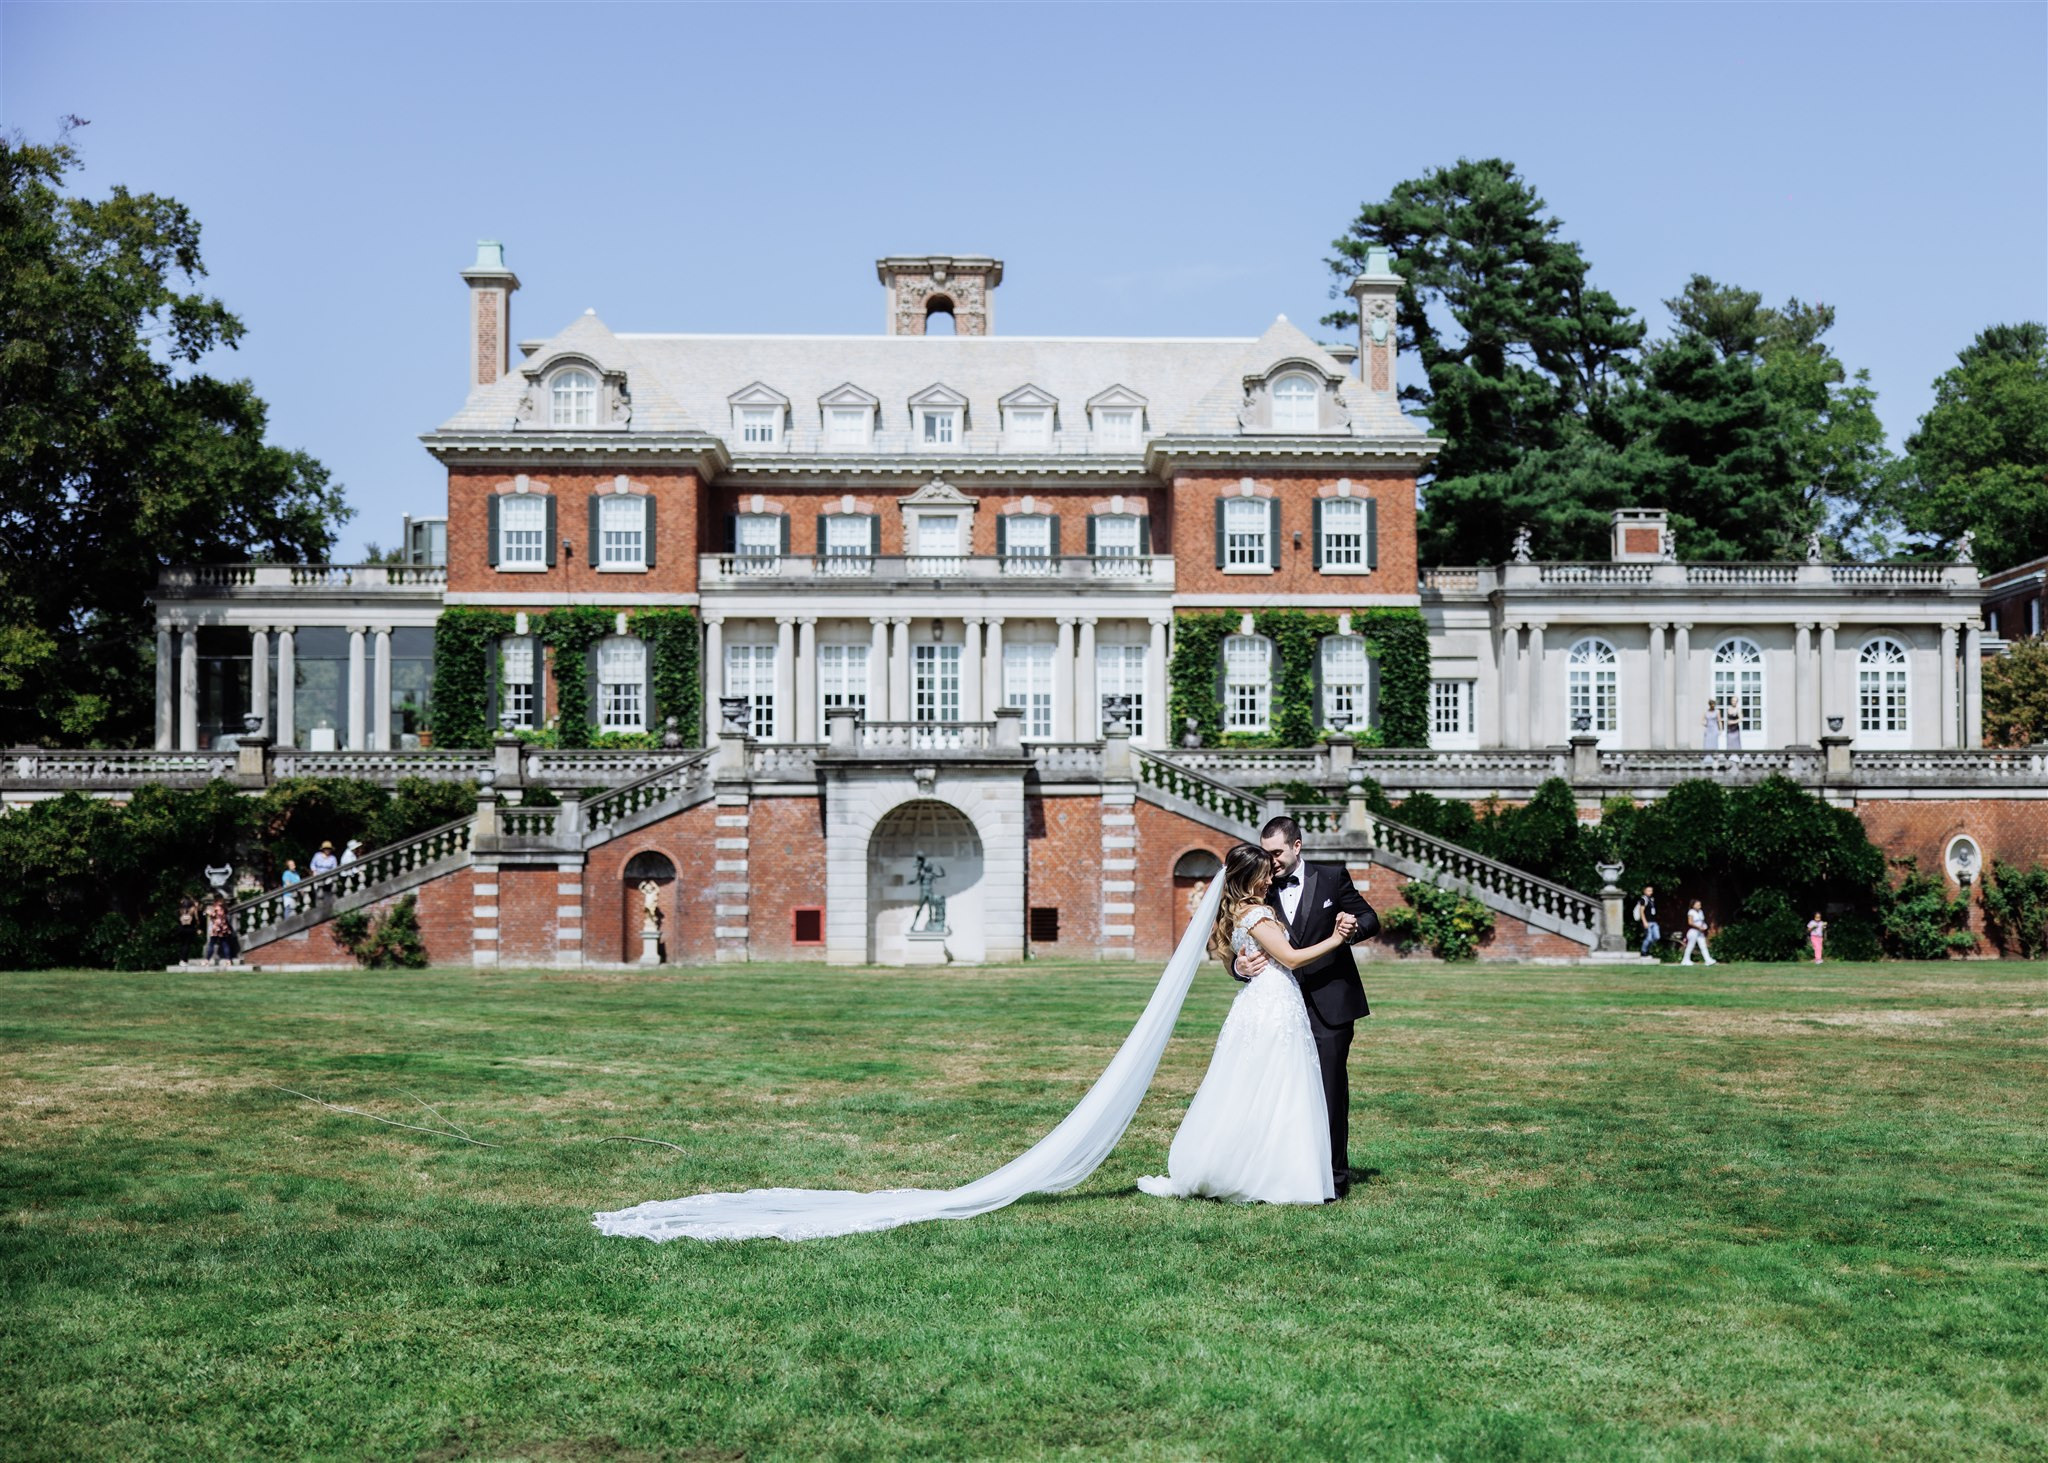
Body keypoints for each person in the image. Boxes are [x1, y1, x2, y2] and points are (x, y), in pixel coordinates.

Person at [1136, 843, 1362, 1205]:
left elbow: (1235, 950)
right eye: (1264, 873)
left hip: (1273, 1001)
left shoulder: (1242, 910)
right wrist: (1336, 939)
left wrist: (1240, 963)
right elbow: (1289, 957)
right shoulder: (1255, 913)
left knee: (1264, 1085)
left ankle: (1271, 1166)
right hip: (1272, 1003)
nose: (1271, 877)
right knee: (1277, 1084)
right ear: (1250, 877)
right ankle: (1265, 1173)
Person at [1222, 815, 1380, 1198]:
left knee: (1329, 1091)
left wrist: (1350, 929)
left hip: (1330, 1003)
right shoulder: (1259, 887)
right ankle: (1284, 1172)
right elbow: (1231, 942)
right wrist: (1239, 968)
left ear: (1297, 846)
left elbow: (1370, 918)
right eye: (1266, 853)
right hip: (1278, 1008)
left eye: (1277, 852)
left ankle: (1334, 1178)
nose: (1271, 860)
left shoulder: (1332, 877)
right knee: (1280, 1092)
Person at [203, 894, 235, 968]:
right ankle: (228, 960)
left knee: (211, 944)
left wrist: (207, 912)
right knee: (225, 944)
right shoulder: (224, 907)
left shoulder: (215, 907)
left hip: (216, 927)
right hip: (223, 927)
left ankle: (207, 960)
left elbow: (210, 914)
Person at [1681, 899, 1716, 965]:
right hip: (1693, 931)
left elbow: (1702, 921)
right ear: (1693, 905)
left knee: (1703, 946)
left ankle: (1708, 960)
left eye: (1700, 905)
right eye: (1697, 905)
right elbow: (1690, 922)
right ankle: (1685, 960)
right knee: (1690, 946)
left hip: (1700, 932)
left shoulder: (1700, 912)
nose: (1699, 906)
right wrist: (1698, 927)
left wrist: (1703, 926)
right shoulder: (1691, 912)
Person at [1635, 885, 1660, 957]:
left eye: (1651, 891)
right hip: (1647, 921)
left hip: (1654, 921)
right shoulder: (1643, 899)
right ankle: (1644, 952)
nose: (1650, 892)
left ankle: (1647, 949)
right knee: (1648, 938)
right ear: (1644, 891)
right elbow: (1641, 911)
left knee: (1656, 937)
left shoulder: (1652, 899)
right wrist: (1644, 922)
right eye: (1648, 891)